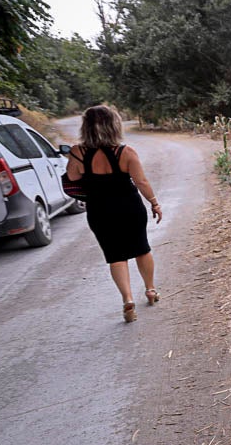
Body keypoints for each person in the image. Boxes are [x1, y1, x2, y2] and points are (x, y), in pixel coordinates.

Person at [65, 105, 163, 323]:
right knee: (141, 248)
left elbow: (72, 177)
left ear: (86, 127)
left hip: (99, 210)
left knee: (115, 256)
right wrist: (154, 203)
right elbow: (141, 182)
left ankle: (127, 300)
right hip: (129, 207)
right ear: (114, 124)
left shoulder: (77, 152)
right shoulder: (126, 152)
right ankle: (150, 290)